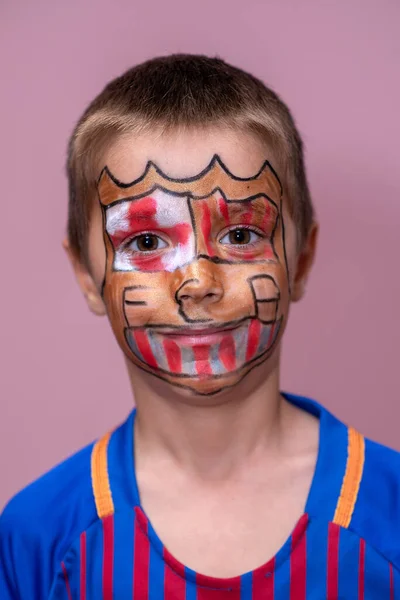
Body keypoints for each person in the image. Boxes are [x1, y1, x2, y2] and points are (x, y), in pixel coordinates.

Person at [0, 54, 399, 599]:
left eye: (239, 235)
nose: (198, 282)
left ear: (301, 260)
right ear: (87, 277)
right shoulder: (37, 535)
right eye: (144, 242)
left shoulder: (390, 511)